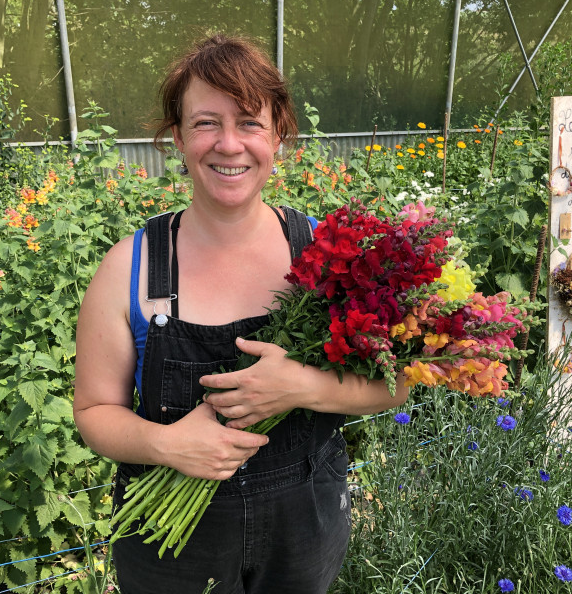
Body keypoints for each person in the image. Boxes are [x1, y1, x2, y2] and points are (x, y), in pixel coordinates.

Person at [73, 33, 408, 594]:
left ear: (278, 134)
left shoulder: (330, 256)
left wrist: (300, 387)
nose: (229, 144)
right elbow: (93, 410)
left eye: (250, 122)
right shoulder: (130, 267)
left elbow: (394, 388)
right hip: (167, 542)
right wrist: (166, 444)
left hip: (303, 528)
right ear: (177, 137)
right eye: (206, 122)